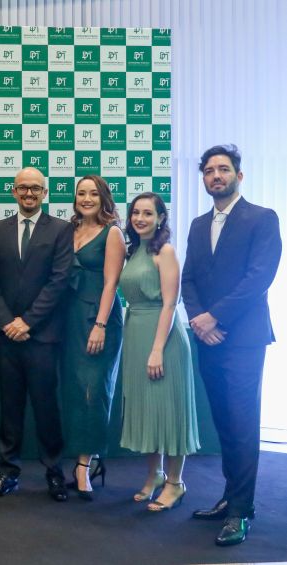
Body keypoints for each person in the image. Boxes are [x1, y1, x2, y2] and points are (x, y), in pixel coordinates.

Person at [182, 144, 281, 546]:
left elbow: (260, 277)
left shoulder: (262, 218)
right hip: (208, 338)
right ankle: (230, 497)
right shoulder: (197, 224)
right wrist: (199, 320)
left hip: (243, 339)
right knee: (223, 421)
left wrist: (215, 317)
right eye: (209, 171)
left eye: (223, 169)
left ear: (238, 176)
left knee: (242, 423)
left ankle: (241, 511)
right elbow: (189, 278)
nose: (216, 176)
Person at [0, 167, 73, 502]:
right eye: (23, 188)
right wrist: (8, 322)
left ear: (45, 193)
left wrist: (28, 322)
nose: (29, 193)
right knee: (10, 408)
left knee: (47, 408)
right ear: (14, 191)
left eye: (35, 188)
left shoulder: (61, 229)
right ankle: (8, 472)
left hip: (43, 337)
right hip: (5, 337)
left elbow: (59, 281)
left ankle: (54, 472)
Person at [118, 192, 199, 513]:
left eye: (148, 213)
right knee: (149, 411)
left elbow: (170, 303)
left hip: (163, 339)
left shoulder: (165, 251)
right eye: (136, 213)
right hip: (136, 333)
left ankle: (175, 483)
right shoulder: (133, 250)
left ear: (161, 218)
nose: (140, 218)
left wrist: (156, 350)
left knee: (170, 411)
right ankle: (155, 475)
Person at [60, 176, 125, 500]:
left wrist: (100, 324)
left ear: (103, 199)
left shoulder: (112, 233)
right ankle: (82, 459)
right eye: (81, 193)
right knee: (74, 390)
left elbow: (111, 283)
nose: (86, 199)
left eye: (93, 194)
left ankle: (86, 464)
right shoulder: (69, 230)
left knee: (95, 391)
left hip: (99, 319)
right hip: (70, 318)